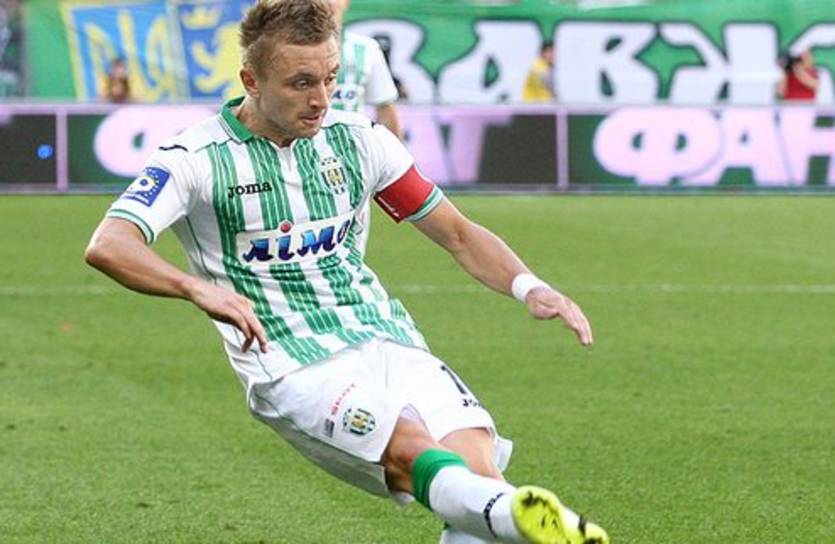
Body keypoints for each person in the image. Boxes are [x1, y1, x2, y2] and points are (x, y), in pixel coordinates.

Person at [84, 2, 609, 543]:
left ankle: (506, 514)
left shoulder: (360, 139)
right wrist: (195, 288)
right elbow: (109, 244)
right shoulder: (193, 158)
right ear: (251, 81)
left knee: (476, 476)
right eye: (301, 83)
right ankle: (516, 518)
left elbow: (456, 232)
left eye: (331, 79)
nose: (321, 99)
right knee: (412, 454)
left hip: (386, 335)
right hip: (290, 359)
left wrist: (530, 287)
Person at [328, 0, 403, 256]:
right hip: (300, 157)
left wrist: (395, 163)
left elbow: (386, 109)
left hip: (352, 162)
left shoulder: (366, 50)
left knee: (354, 247)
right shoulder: (291, 48)